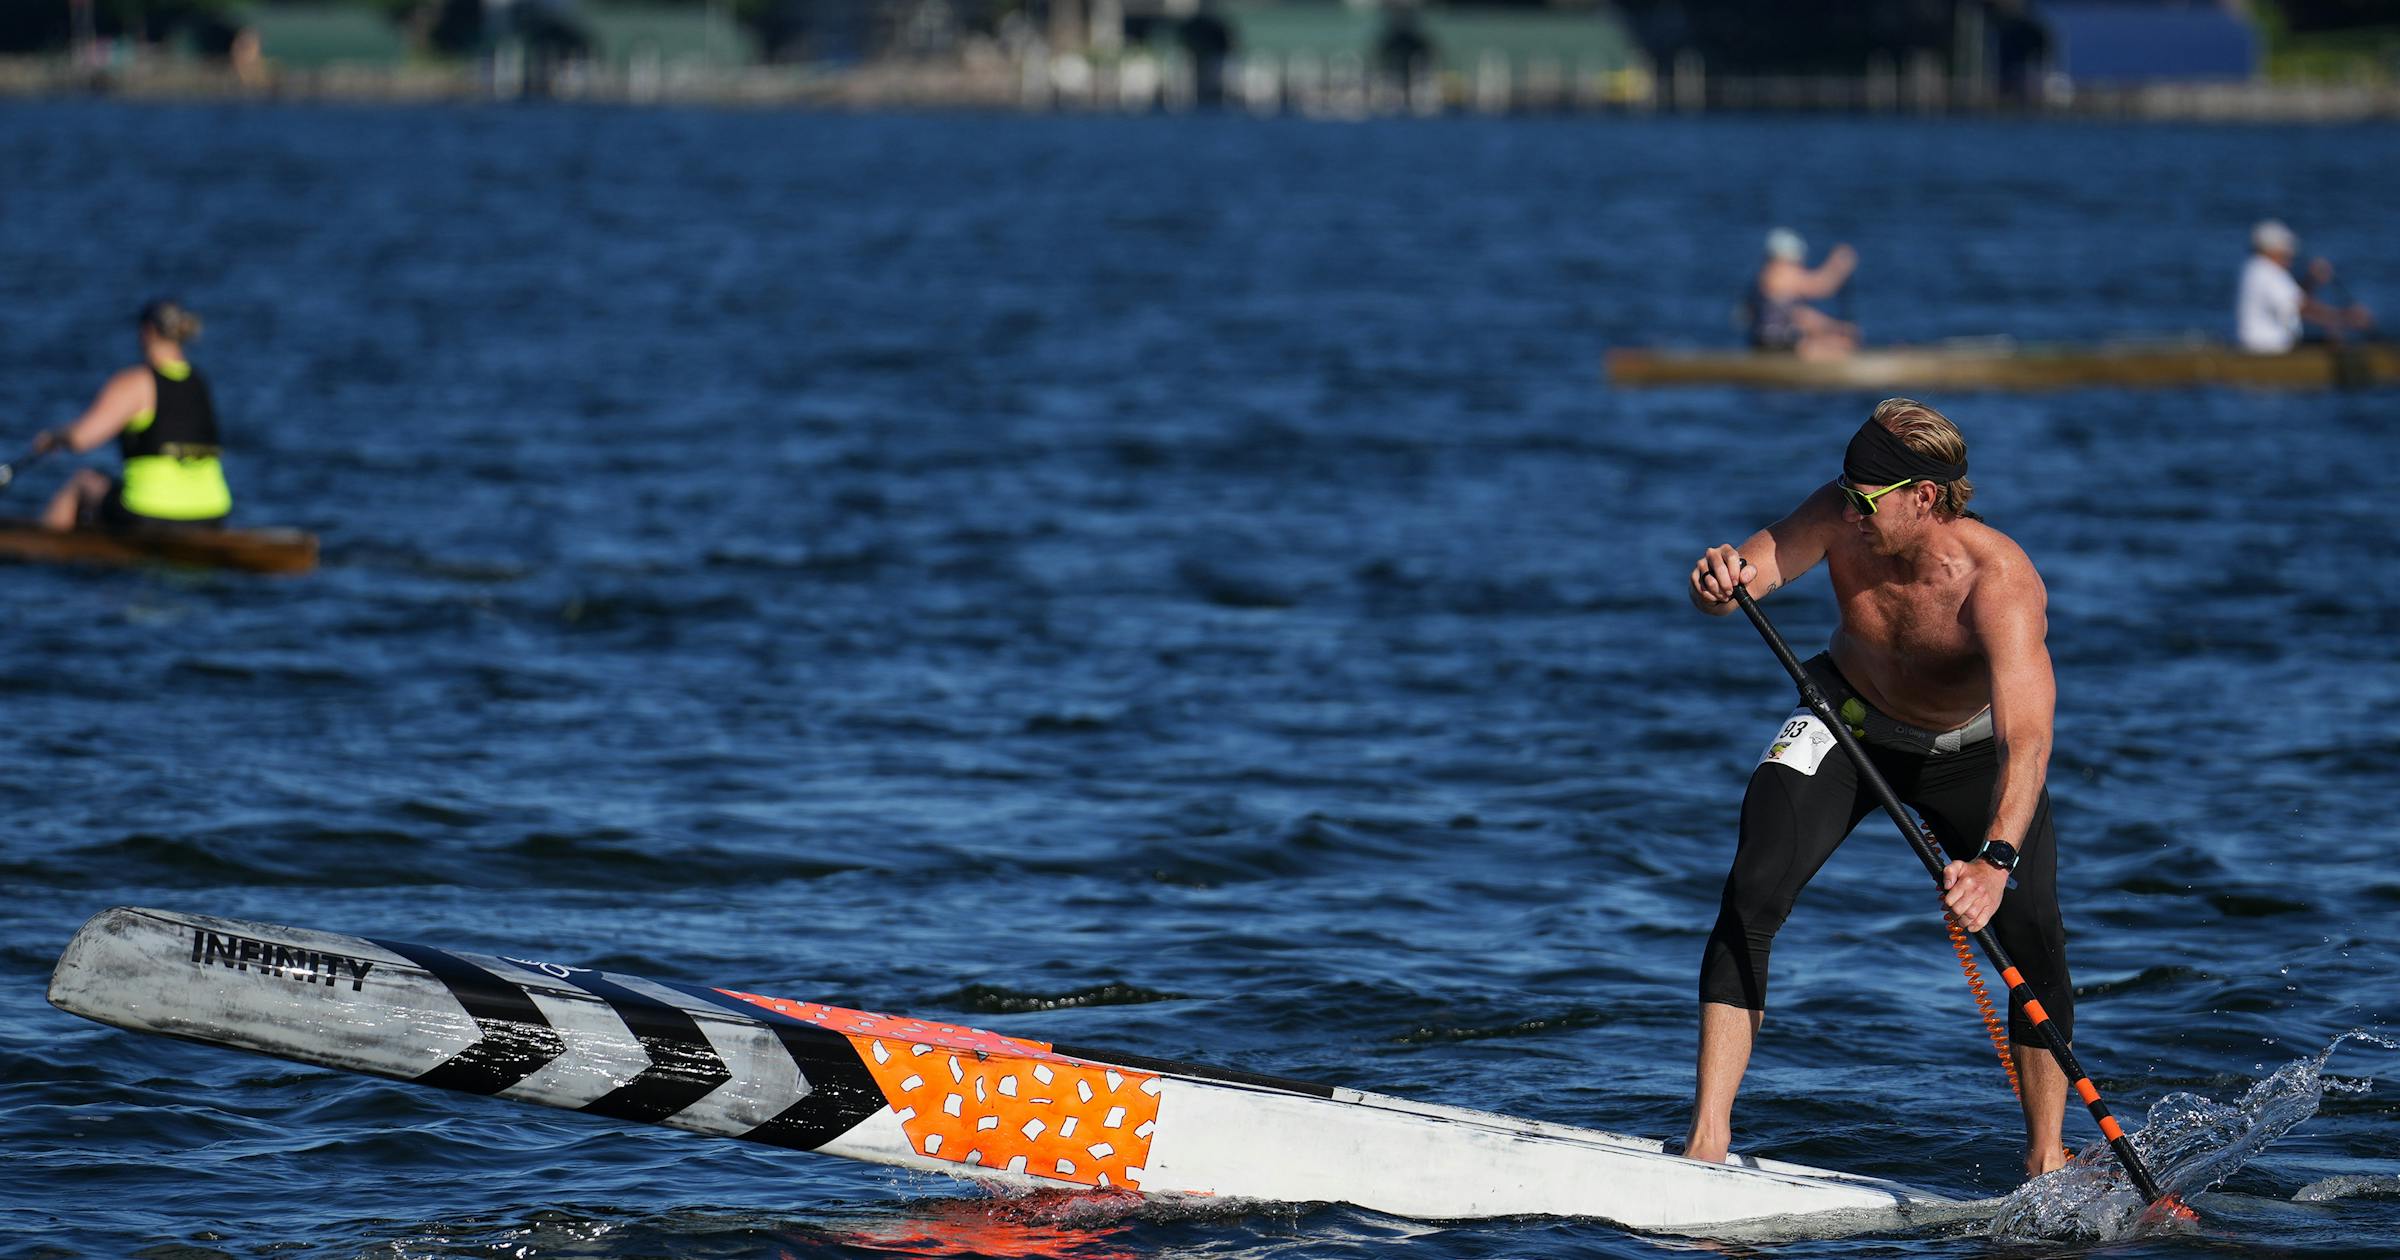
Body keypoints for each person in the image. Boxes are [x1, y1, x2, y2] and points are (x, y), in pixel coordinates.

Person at [1683, 397, 2072, 1181]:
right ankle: (1707, 1140)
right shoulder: (1839, 512)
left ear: (1923, 498)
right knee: (1753, 890)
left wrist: (1995, 862)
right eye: (1844, 490)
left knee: (2032, 938)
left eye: (1865, 499)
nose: (1846, 510)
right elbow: (1734, 585)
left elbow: (2025, 744)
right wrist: (1716, 580)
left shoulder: (1998, 583)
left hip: (1963, 756)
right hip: (1842, 723)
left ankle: (2045, 1159)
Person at [35, 299, 232, 532]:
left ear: (147, 332)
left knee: (82, 482)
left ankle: (43, 548)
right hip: (212, 514)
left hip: (150, 514)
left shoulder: (136, 382)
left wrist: (54, 438)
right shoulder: (200, 382)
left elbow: (81, 439)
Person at [2237, 219, 2373, 353]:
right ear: (2272, 249)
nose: (2290, 253)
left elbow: (2294, 300)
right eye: (2286, 249)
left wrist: (2312, 279)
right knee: (2336, 346)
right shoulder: (2268, 271)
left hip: (2263, 346)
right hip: (2269, 348)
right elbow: (2300, 307)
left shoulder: (2254, 268)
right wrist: (2345, 318)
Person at [1749, 228, 1858, 360]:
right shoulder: (1778, 274)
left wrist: (1833, 327)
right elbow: (1821, 286)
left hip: (1780, 340)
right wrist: (1838, 265)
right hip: (1774, 344)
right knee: (1836, 348)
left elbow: (1801, 315)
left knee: (1840, 342)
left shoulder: (1773, 278)